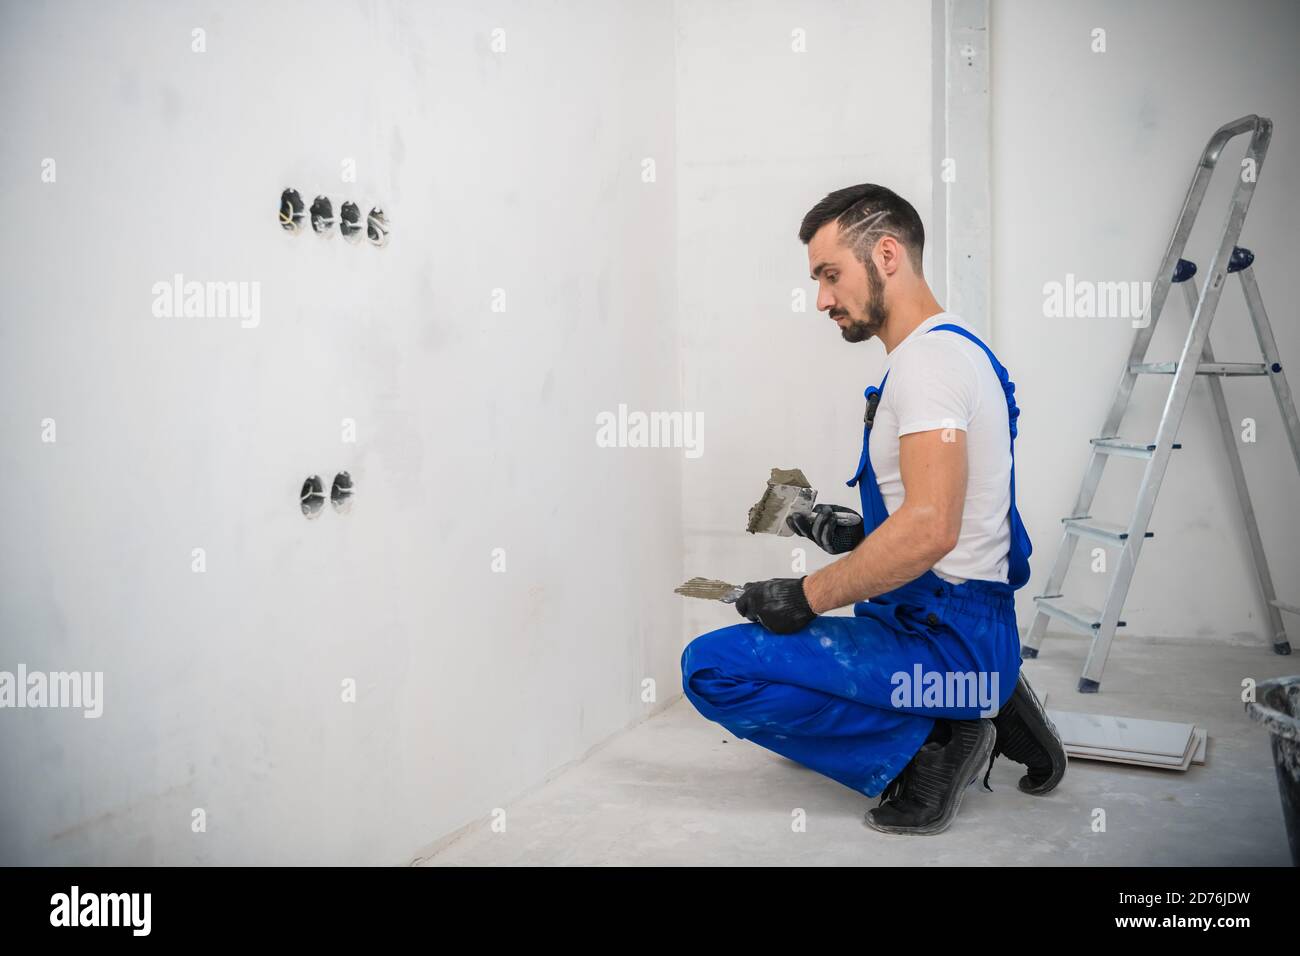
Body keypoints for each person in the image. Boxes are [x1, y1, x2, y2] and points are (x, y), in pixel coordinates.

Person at [680, 184, 1066, 835]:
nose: (822, 298)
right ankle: (988, 694)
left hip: (945, 640)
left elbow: (933, 527)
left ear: (886, 254)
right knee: (802, 681)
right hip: (966, 621)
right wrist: (859, 529)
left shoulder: (927, 369)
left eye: (831, 275)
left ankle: (940, 739)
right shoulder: (955, 349)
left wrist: (804, 594)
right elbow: (963, 510)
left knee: (712, 668)